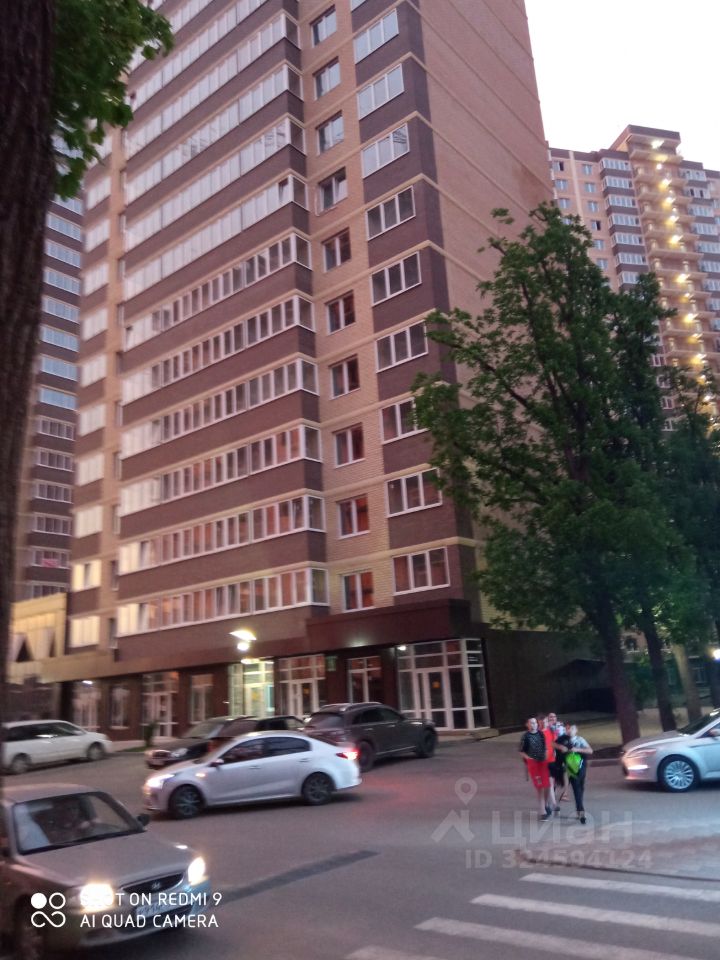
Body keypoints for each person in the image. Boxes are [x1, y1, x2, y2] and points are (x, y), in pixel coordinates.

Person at [554, 723, 593, 824]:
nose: (569, 730)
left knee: (580, 788)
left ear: (576, 730)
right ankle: (581, 811)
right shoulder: (563, 738)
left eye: (572, 728)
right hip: (570, 768)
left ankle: (579, 808)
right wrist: (561, 747)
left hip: (581, 766)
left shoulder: (580, 740)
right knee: (576, 788)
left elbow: (590, 751)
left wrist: (577, 749)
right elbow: (553, 744)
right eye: (568, 729)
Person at [519, 717, 553, 820]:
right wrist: (528, 758)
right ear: (527, 725)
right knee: (540, 787)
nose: (533, 725)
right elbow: (521, 751)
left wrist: (546, 755)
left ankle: (546, 804)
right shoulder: (525, 736)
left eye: (535, 723)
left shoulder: (541, 734)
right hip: (533, 764)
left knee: (547, 785)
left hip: (543, 762)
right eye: (531, 723)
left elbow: (545, 747)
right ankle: (542, 811)